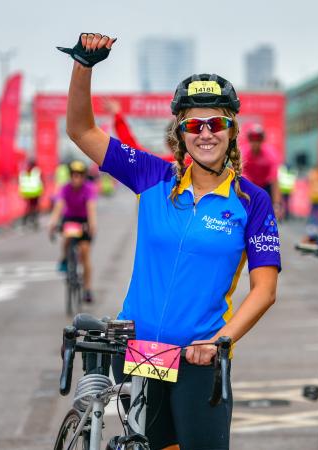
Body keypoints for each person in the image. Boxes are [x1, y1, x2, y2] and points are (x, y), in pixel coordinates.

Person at [62, 33, 280, 449]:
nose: (206, 134)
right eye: (194, 125)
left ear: (232, 131)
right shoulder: (152, 178)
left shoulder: (252, 201)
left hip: (202, 355)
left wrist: (222, 341)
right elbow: (80, 129)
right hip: (144, 353)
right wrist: (83, 66)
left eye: (216, 123)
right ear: (180, 134)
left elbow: (265, 290)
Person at [47, 160, 97, 301]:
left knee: (85, 252)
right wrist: (52, 223)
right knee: (67, 238)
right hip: (70, 219)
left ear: (84, 177)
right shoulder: (65, 188)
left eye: (80, 175)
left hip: (84, 220)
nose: (76, 179)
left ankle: (87, 289)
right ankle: (65, 258)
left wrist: (92, 225)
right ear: (70, 176)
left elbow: (91, 208)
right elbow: (58, 207)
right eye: (74, 175)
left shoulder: (88, 188)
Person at [242, 124, 282, 215]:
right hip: (250, 184)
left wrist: (277, 204)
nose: (255, 142)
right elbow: (239, 179)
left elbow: (275, 182)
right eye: (252, 139)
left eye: (258, 139)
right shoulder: (243, 153)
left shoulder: (270, 155)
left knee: (267, 212)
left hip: (265, 186)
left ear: (262, 140)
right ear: (249, 139)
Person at [19, 158, 44, 229]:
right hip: (34, 193)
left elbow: (22, 182)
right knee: (33, 208)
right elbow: (41, 181)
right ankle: (32, 220)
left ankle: (27, 221)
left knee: (30, 207)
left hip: (30, 193)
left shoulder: (26, 172)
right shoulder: (36, 171)